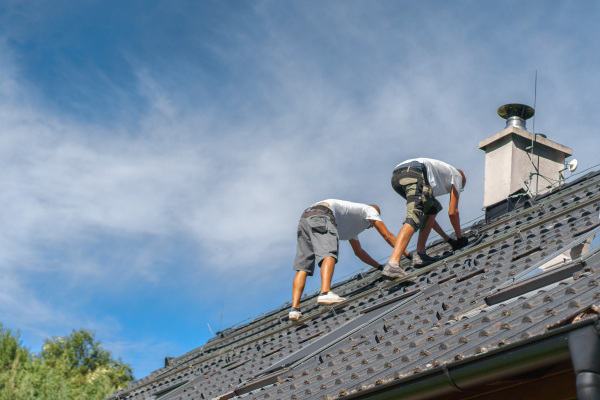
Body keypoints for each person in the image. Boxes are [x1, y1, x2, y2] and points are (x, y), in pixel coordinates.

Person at [289, 199, 403, 321]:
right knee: (329, 252)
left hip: (305, 219)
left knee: (303, 267)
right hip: (322, 216)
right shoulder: (370, 210)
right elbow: (387, 236)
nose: (371, 226)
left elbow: (359, 253)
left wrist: (380, 267)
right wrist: (407, 255)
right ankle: (325, 293)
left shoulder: (351, 226)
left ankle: (294, 309)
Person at [382, 158, 468, 279]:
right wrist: (460, 238)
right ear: (462, 181)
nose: (460, 189)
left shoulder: (442, 176)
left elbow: (429, 218)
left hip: (398, 177)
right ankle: (393, 264)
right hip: (414, 173)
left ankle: (420, 254)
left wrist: (448, 239)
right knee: (414, 218)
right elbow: (453, 212)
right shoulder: (457, 176)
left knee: (432, 209)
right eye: (461, 188)